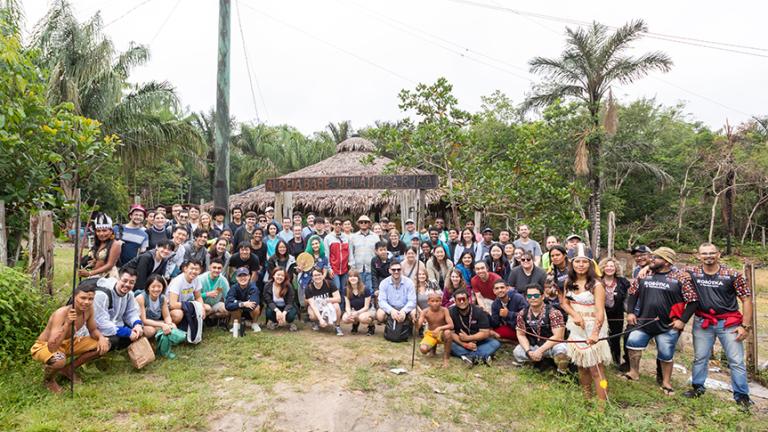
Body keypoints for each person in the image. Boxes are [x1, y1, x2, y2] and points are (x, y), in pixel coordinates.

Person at [684, 243, 753, 408]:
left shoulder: (732, 275)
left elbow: (746, 299)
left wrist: (745, 326)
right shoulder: (692, 272)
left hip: (729, 323)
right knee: (700, 357)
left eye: (712, 253)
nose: (708, 256)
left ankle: (742, 395)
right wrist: (646, 269)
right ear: (698, 256)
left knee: (735, 360)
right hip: (703, 321)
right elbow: (668, 271)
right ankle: (698, 387)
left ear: (719, 254)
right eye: (704, 253)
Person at [625, 247, 698, 396]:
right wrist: (631, 312)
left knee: (666, 353)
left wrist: (683, 320)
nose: (651, 260)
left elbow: (693, 301)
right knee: (633, 343)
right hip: (643, 322)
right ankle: (634, 372)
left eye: (655, 258)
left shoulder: (681, 277)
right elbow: (632, 293)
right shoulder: (645, 274)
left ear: (666, 261)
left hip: (668, 325)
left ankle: (666, 381)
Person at [31, 280, 109, 393]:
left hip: (68, 343)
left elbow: (93, 330)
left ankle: (68, 369)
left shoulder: (89, 310)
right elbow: (52, 346)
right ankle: (49, 380)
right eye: (83, 298)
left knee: (104, 344)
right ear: (74, 296)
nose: (86, 302)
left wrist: (102, 338)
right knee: (58, 359)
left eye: (90, 299)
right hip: (45, 346)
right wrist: (67, 324)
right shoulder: (61, 313)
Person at [559, 244, 613, 402]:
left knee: (596, 369)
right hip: (576, 329)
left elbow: (600, 312)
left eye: (584, 261)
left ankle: (603, 405)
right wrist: (575, 315)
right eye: (577, 261)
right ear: (572, 263)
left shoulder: (597, 285)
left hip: (594, 327)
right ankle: (587, 399)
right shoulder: (568, 282)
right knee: (582, 367)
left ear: (590, 264)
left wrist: (596, 332)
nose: (580, 265)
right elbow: (565, 303)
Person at [513, 285, 569, 373]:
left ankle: (562, 372)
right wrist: (528, 351)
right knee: (517, 352)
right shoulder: (522, 313)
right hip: (534, 345)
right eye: (529, 296)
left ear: (542, 297)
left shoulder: (554, 312)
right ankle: (537, 361)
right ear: (526, 298)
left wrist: (540, 351)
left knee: (562, 352)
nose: (532, 298)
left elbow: (558, 337)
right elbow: (520, 334)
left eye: (536, 295)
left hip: (552, 345)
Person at [93, 268, 144, 351]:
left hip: (116, 324)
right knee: (115, 340)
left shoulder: (129, 294)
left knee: (138, 332)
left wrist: (137, 324)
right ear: (118, 279)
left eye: (131, 282)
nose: (127, 284)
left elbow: (131, 312)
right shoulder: (103, 294)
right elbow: (100, 322)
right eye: (125, 280)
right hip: (96, 329)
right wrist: (126, 332)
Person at [449, 288, 501, 367]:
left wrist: (468, 338)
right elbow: (451, 333)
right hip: (460, 342)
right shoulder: (451, 312)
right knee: (449, 344)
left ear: (468, 299)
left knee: (495, 343)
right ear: (455, 301)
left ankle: (469, 357)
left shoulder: (479, 311)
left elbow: (485, 333)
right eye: (459, 300)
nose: (462, 302)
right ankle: (482, 356)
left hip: (478, 342)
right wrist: (465, 344)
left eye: (464, 299)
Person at [599, 257, 629, 367]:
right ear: (603, 267)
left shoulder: (623, 282)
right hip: (601, 313)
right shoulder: (597, 281)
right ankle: (602, 360)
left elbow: (627, 299)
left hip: (617, 314)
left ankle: (616, 361)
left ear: (616, 268)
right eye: (607, 266)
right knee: (602, 337)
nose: (609, 268)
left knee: (616, 338)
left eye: (612, 266)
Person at [79, 213, 122, 279]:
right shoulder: (98, 243)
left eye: (104, 230)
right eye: (98, 231)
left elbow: (110, 265)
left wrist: (89, 273)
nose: (101, 234)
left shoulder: (116, 244)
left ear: (111, 231)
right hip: (95, 274)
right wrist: (92, 262)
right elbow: (99, 260)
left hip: (108, 277)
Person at [418, 291, 454, 367]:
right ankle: (432, 350)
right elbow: (418, 326)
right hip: (431, 334)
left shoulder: (444, 310)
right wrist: (415, 322)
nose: (435, 303)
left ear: (441, 302)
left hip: (442, 334)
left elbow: (451, 325)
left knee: (448, 333)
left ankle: (446, 358)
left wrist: (440, 328)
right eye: (432, 301)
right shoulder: (425, 311)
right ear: (428, 302)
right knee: (423, 349)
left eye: (437, 301)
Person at [375, 262, 417, 328]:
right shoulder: (384, 283)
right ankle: (390, 326)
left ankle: (409, 325)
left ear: (402, 270)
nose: (396, 271)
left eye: (398, 269)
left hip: (405, 308)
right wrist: (391, 310)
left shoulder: (409, 282)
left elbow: (412, 301)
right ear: (389, 271)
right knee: (380, 315)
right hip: (391, 307)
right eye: (393, 270)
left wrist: (404, 311)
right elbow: (382, 301)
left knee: (415, 313)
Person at [306, 267, 344, 336]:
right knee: (311, 314)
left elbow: (339, 299)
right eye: (315, 275)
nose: (317, 277)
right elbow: (313, 305)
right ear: (312, 277)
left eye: (319, 275)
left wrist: (328, 300)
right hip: (316, 306)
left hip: (328, 304)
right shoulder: (309, 288)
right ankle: (317, 322)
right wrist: (320, 319)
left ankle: (337, 326)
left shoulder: (329, 283)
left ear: (322, 275)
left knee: (337, 306)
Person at [135, 275, 175, 339]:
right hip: (142, 324)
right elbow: (144, 320)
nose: (156, 289)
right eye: (153, 287)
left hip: (155, 322)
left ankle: (162, 337)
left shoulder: (162, 298)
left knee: (173, 326)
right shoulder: (141, 298)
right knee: (151, 331)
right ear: (148, 287)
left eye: (159, 286)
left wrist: (169, 324)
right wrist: (162, 325)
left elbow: (167, 316)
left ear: (163, 287)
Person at [168, 259, 206, 326]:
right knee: (178, 314)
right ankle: (174, 328)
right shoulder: (178, 281)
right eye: (191, 268)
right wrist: (191, 306)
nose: (194, 271)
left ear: (200, 271)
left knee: (206, 308)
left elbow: (198, 297)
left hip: (186, 305)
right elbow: (172, 304)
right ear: (185, 269)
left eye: (197, 269)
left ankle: (191, 325)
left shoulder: (196, 279)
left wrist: (202, 308)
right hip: (171, 308)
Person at [226, 267, 265, 332]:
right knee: (233, 307)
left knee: (256, 307)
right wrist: (242, 304)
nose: (243, 278)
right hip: (238, 311)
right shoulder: (233, 288)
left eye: (245, 275)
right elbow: (227, 305)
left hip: (250, 312)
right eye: (240, 276)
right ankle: (237, 324)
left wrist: (236, 302)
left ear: (249, 276)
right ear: (236, 278)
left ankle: (254, 323)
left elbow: (254, 304)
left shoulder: (253, 288)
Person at [349, 215, 379, 294]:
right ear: (358, 224)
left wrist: (377, 266)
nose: (363, 223)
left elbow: (378, 253)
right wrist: (352, 266)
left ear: (369, 224)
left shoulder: (375, 237)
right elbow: (351, 252)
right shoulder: (353, 237)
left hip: (371, 267)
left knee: (370, 288)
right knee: (358, 288)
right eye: (361, 222)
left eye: (366, 222)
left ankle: (370, 304)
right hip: (357, 268)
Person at [341, 270, 374, 334]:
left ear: (358, 278)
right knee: (345, 318)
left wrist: (357, 313)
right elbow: (347, 306)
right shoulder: (346, 290)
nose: (352, 278)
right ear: (348, 279)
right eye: (350, 276)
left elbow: (366, 307)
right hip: (355, 310)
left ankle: (371, 325)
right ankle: (355, 324)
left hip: (367, 310)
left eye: (355, 276)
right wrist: (349, 313)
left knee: (363, 318)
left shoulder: (365, 289)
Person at [198, 257, 230, 323]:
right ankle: (200, 320)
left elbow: (227, 295)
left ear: (222, 269)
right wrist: (207, 294)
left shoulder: (223, 280)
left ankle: (210, 318)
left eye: (219, 268)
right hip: (202, 303)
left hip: (215, 304)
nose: (216, 270)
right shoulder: (201, 279)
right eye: (214, 267)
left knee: (227, 310)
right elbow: (194, 296)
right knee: (208, 308)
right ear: (210, 267)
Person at [325, 220, 350, 296]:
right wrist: (329, 268)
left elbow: (350, 252)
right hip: (334, 268)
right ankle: (337, 306)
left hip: (345, 268)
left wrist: (351, 265)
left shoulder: (346, 238)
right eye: (336, 224)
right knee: (337, 288)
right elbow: (326, 254)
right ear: (332, 225)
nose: (338, 225)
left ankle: (344, 306)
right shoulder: (328, 238)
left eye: (340, 224)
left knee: (344, 288)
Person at [370, 241, 392, 312]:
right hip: (380, 281)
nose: (383, 252)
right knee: (377, 293)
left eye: (384, 249)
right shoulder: (375, 260)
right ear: (376, 251)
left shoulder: (391, 259)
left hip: (390, 282)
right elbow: (374, 275)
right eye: (381, 250)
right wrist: (376, 288)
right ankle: (378, 311)